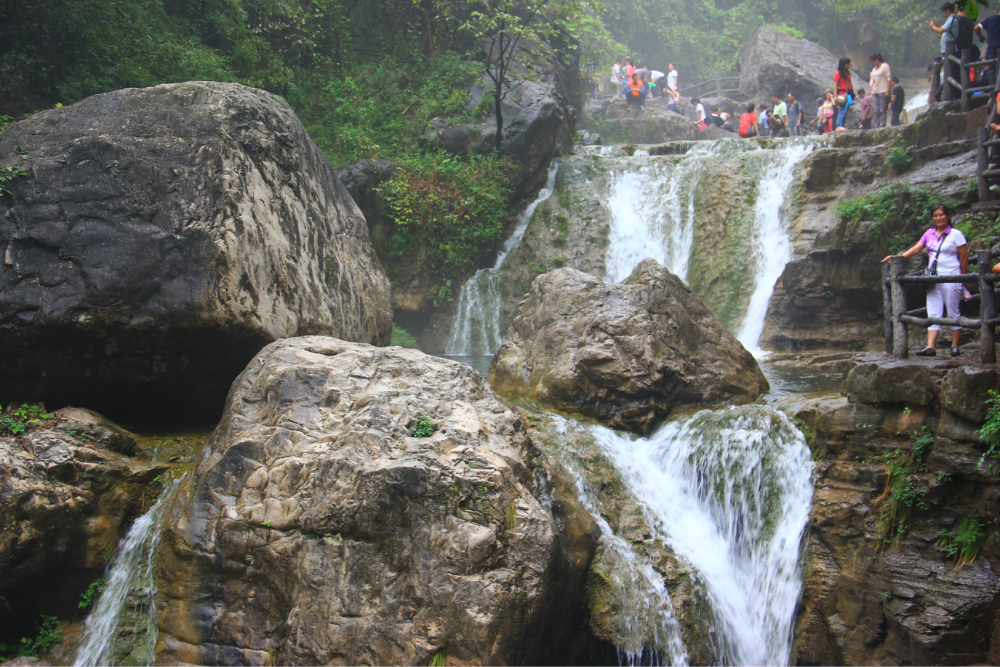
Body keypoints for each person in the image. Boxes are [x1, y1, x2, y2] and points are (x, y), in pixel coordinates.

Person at [882, 204, 968, 357]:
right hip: (932, 278)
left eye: (941, 214)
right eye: (935, 215)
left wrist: (962, 278)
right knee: (933, 311)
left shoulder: (956, 234)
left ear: (947, 216)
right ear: (932, 218)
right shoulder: (929, 233)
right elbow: (916, 249)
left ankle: (954, 346)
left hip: (952, 276)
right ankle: (931, 347)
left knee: (953, 310)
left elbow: (964, 257)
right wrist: (898, 258)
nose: (938, 218)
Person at [931, 3, 962, 99]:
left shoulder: (952, 19)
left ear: (948, 11)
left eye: (943, 12)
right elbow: (944, 29)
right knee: (950, 71)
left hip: (951, 50)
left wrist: (932, 26)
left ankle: (955, 95)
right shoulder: (950, 20)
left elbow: (941, 31)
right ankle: (953, 94)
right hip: (948, 51)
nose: (943, 14)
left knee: (953, 72)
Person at [976, 11, 1000, 86]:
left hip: (993, 48)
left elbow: (976, 28)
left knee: (993, 70)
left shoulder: (990, 19)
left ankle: (994, 92)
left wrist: (980, 36)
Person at [869, 53, 891, 128]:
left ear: (877, 60)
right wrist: (871, 93)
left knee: (882, 109)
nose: (873, 64)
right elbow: (872, 82)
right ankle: (876, 125)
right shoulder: (874, 69)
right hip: (875, 91)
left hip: (883, 90)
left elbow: (888, 79)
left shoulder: (884, 66)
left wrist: (888, 90)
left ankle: (882, 125)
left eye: (873, 62)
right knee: (876, 110)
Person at [834, 58, 854, 129]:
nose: (848, 65)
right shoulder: (838, 73)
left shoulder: (847, 72)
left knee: (846, 109)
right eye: (847, 64)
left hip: (849, 93)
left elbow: (849, 82)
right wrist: (835, 96)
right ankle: (839, 124)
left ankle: (842, 124)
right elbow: (835, 85)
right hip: (842, 93)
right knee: (843, 109)